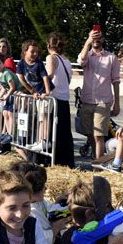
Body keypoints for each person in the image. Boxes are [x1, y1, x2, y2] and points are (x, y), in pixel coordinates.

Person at [77, 27, 121, 161]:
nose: (96, 39)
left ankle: (98, 166)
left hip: (103, 101)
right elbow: (80, 61)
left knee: (99, 135)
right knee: (89, 133)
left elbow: (116, 81)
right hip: (87, 99)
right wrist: (87, 42)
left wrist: (117, 103)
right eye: (93, 37)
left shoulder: (111, 58)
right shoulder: (87, 55)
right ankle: (97, 158)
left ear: (103, 39)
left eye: (98, 36)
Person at [44, 32, 76, 166]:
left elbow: (49, 76)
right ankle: (65, 163)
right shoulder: (67, 60)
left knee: (52, 132)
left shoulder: (51, 57)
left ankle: (50, 161)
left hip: (54, 98)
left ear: (48, 45)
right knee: (64, 134)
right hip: (64, 100)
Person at [16, 39, 53, 152]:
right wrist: (31, 91)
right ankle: (39, 141)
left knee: (45, 117)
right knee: (40, 118)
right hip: (37, 93)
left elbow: (45, 78)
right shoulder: (22, 63)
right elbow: (20, 77)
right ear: (25, 52)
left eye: (36, 52)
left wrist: (47, 92)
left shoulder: (39, 63)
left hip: (44, 93)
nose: (35, 54)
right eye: (32, 51)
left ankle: (45, 141)